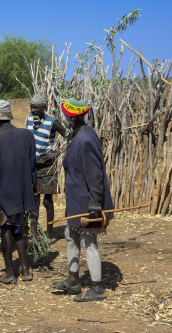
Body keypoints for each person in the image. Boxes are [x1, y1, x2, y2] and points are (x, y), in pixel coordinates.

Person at [50, 98, 114, 302]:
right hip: (76, 200)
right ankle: (73, 279)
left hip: (88, 202)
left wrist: (95, 204)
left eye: (66, 116)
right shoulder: (75, 135)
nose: (64, 118)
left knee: (89, 242)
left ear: (73, 117)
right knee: (70, 236)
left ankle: (97, 287)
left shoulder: (86, 138)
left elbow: (95, 174)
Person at [0, 100, 36, 284]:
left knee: (5, 229)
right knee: (18, 229)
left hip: (4, 193)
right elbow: (32, 167)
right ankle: (25, 270)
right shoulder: (27, 135)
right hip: (22, 192)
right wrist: (32, 190)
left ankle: (9, 273)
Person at [26, 92, 66, 243]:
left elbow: (69, 136)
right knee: (34, 201)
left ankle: (49, 234)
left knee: (47, 201)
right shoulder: (29, 119)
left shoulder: (52, 122)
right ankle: (34, 236)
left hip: (46, 166)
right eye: (31, 107)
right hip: (31, 166)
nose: (33, 111)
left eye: (36, 108)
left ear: (44, 108)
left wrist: (56, 153)